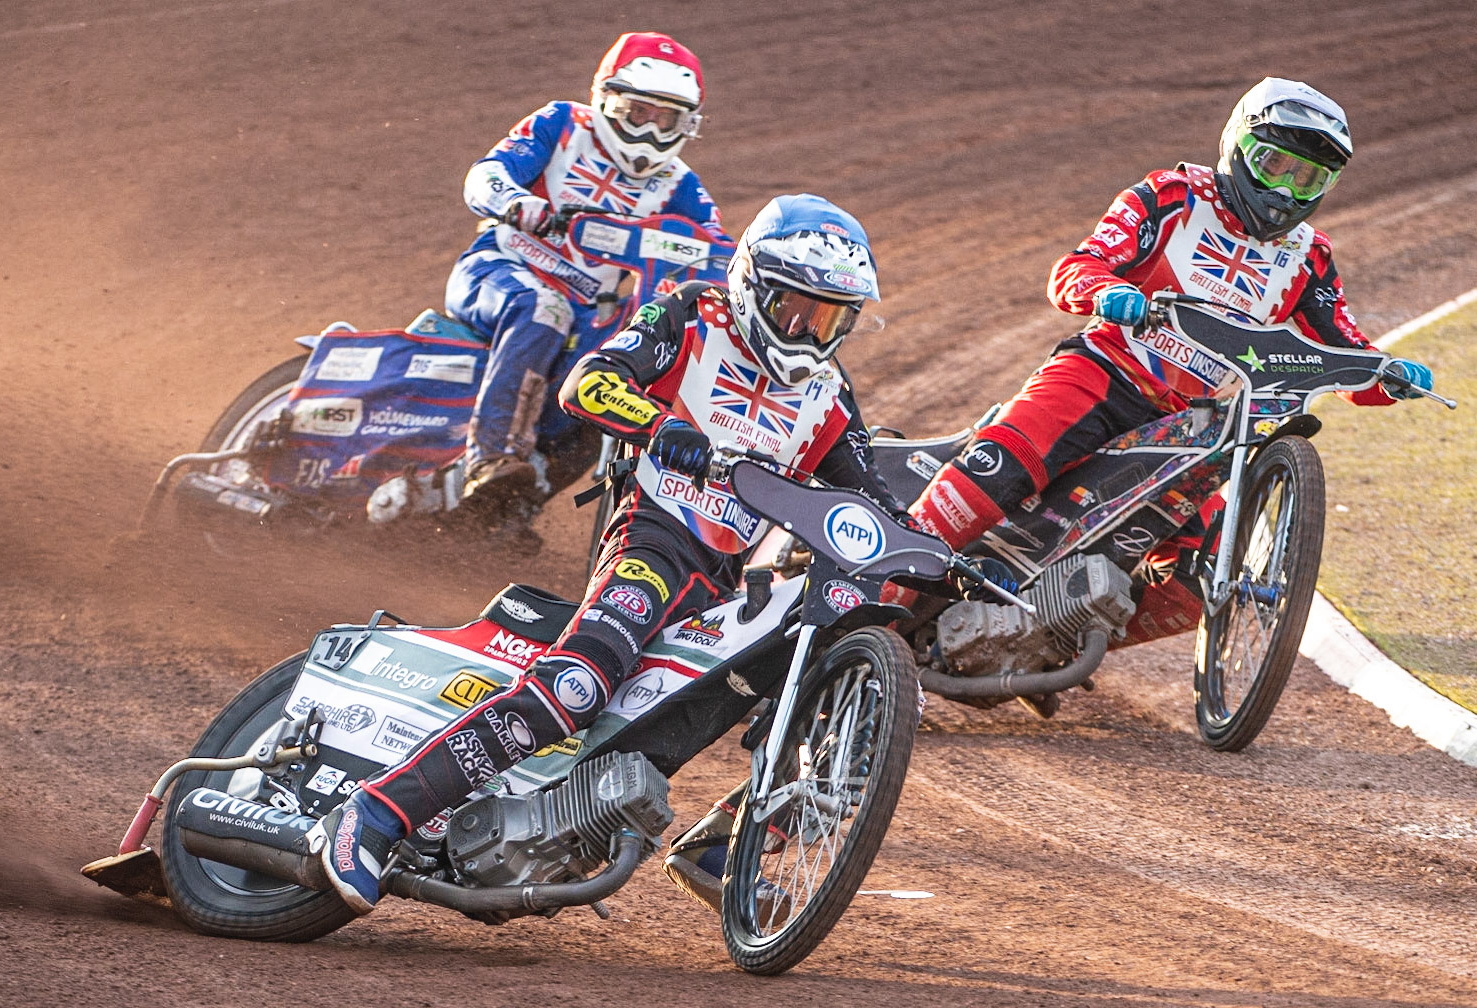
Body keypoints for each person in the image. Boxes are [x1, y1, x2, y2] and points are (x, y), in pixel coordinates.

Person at [313, 194, 922, 915]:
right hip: (651, 536)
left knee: (743, 686)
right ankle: (376, 813)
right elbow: (590, 384)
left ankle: (722, 845)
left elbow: (879, 504)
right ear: (755, 284)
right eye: (795, 308)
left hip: (724, 581)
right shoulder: (693, 314)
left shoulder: (827, 393)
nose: (808, 331)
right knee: (577, 686)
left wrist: (954, 559)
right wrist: (664, 427)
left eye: (828, 317)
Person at [891, 77, 1437, 639]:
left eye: (1309, 178)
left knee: (1198, 582)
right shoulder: (1171, 195)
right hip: (1105, 372)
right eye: (1275, 166)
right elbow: (1077, 268)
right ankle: (867, 594)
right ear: (1237, 146)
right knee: (997, 468)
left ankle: (1043, 639)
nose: (1288, 192)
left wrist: (1390, 375)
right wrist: (1106, 293)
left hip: (1192, 426)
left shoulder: (1310, 258)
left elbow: (1345, 352)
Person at [443, 31, 729, 512]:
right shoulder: (563, 124)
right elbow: (485, 174)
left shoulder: (680, 184)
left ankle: (515, 505)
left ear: (688, 125)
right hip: (500, 266)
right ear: (608, 100)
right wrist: (517, 203)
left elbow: (719, 252)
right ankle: (490, 459)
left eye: (667, 120)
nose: (650, 133)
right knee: (542, 308)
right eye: (639, 113)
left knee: (608, 381)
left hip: (586, 312)